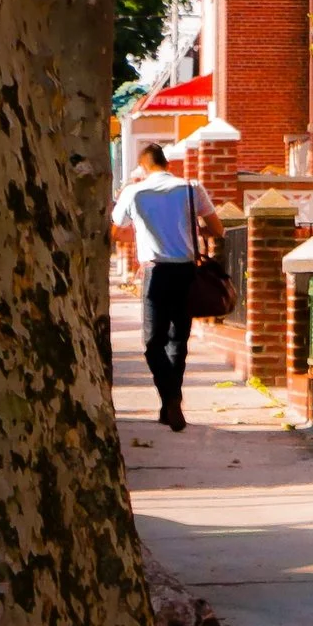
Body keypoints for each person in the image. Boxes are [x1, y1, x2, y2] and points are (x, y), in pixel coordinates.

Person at [109, 143, 222, 433]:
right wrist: (194, 230)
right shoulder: (190, 188)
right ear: (166, 162)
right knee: (177, 340)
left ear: (144, 166)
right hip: (186, 271)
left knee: (152, 343)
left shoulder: (134, 192)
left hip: (155, 272)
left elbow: (117, 231)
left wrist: (141, 231)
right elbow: (217, 229)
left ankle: (170, 398)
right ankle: (170, 405)